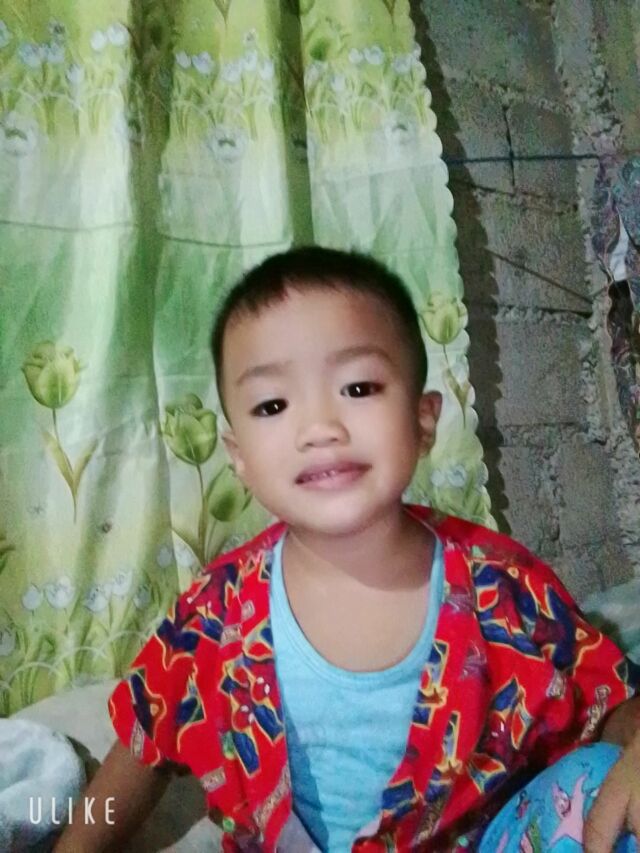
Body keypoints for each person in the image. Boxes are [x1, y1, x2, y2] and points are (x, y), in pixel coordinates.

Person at [56, 247, 640, 852]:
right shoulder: (214, 612)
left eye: (358, 387)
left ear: (423, 420)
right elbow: (145, 737)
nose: (320, 428)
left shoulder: (505, 585)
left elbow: (609, 699)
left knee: (602, 782)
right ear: (239, 456)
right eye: (273, 405)